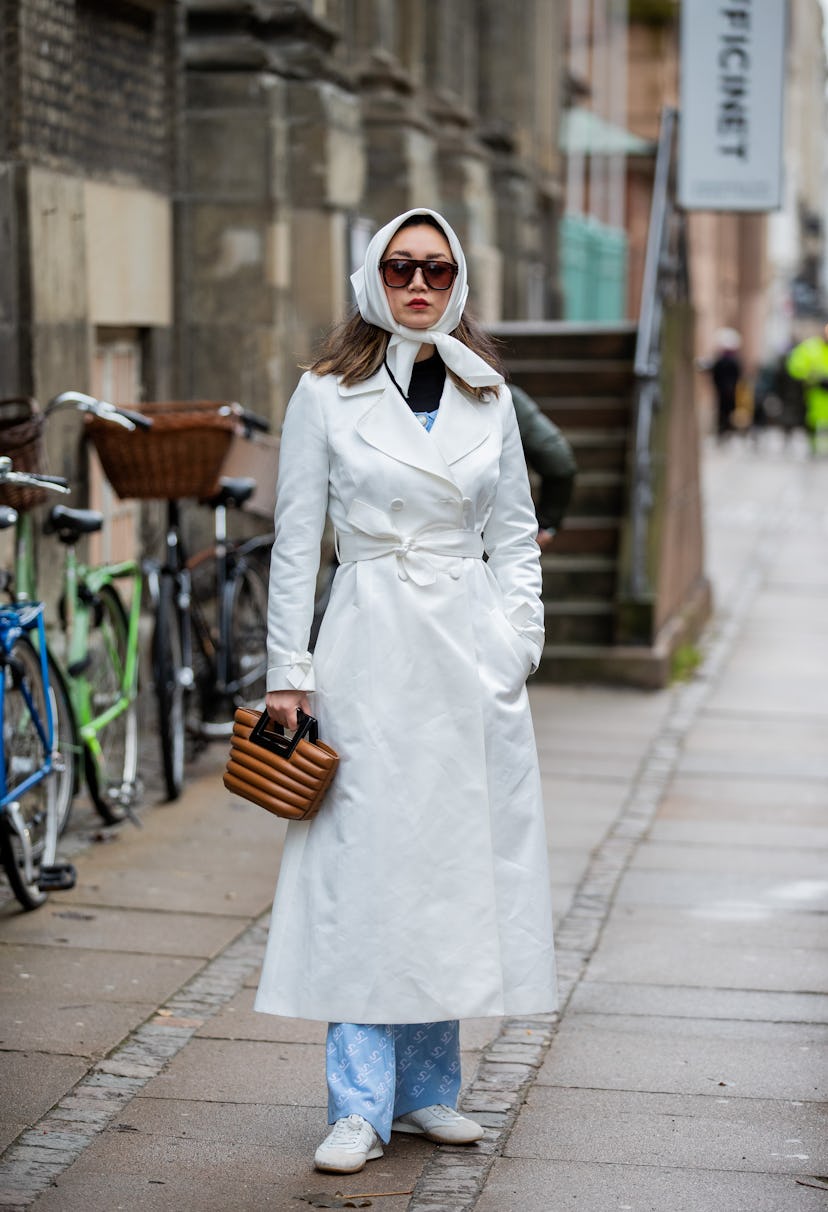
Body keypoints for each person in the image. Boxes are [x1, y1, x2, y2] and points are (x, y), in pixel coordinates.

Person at [257, 208, 558, 1175]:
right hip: (370, 647)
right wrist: (289, 680)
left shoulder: (488, 395)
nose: (417, 286)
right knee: (365, 871)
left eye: (434, 269)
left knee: (451, 866)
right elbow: (297, 546)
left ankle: (431, 1092)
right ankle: (357, 1104)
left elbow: (514, 532)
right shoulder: (325, 394)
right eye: (399, 269)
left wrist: (516, 643)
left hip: (467, 654)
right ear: (371, 280)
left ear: (458, 280)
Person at [509, 383, 577, 551]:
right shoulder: (498, 393)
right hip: (501, 536)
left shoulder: (503, 395)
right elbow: (559, 460)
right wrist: (546, 525)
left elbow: (558, 460)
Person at [785, 322, 828, 453]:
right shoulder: (810, 347)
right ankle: (814, 447)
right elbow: (795, 367)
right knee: (813, 422)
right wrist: (811, 378)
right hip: (814, 394)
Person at [706, 328, 743, 439]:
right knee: (725, 411)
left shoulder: (726, 361)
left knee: (725, 411)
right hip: (727, 389)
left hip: (726, 389)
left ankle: (724, 429)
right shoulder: (730, 361)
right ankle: (724, 429)